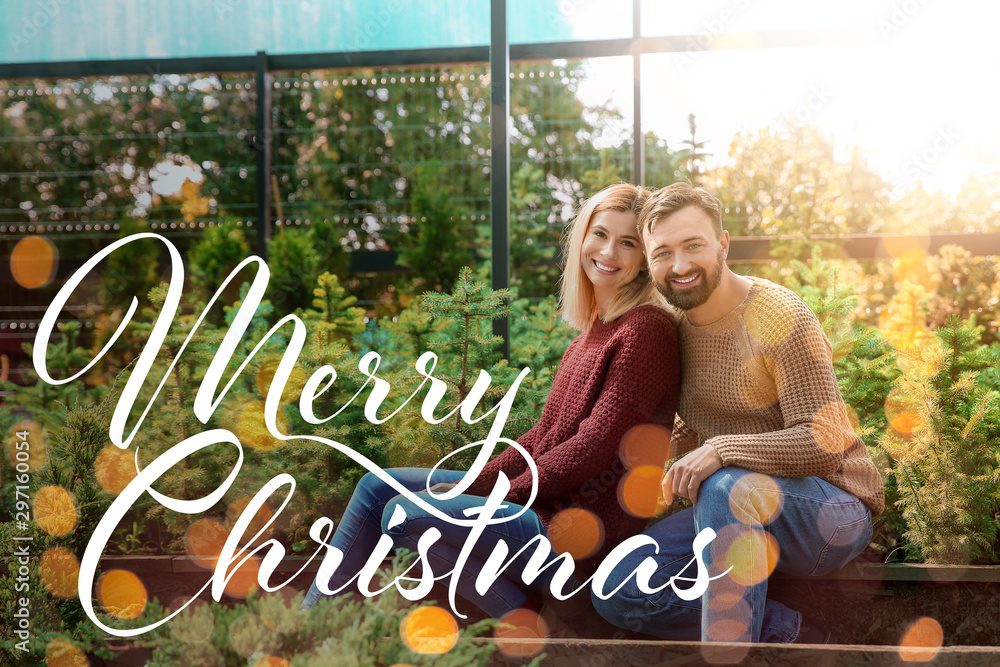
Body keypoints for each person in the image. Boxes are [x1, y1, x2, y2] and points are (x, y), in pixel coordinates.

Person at [302, 182, 681, 623]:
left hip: (576, 528)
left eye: (628, 242)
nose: (609, 251)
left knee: (402, 516)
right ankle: (311, 623)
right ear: (582, 238)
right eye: (600, 234)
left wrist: (503, 494)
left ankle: (520, 612)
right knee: (376, 488)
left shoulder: (646, 330)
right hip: (541, 506)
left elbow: (593, 447)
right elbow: (543, 436)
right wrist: (479, 484)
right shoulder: (589, 336)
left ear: (642, 262)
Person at [592, 183, 884, 643]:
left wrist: (721, 451)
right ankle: (779, 627)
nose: (681, 265)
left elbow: (824, 443)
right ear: (649, 261)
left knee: (727, 484)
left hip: (829, 512)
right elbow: (697, 419)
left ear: (723, 244)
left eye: (693, 246)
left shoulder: (779, 315)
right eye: (663, 252)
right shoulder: (674, 328)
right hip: (728, 507)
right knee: (620, 587)